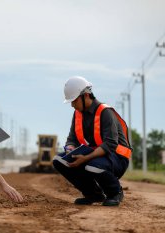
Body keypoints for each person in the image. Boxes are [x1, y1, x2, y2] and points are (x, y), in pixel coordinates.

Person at [53, 76, 132, 206]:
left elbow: (110, 144)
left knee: (93, 166)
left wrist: (86, 158)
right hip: (95, 156)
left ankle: (115, 193)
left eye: (74, 100)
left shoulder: (105, 112)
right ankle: (93, 194)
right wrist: (70, 148)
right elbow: (71, 139)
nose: (72, 105)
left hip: (117, 158)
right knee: (59, 161)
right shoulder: (78, 113)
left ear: (86, 95)